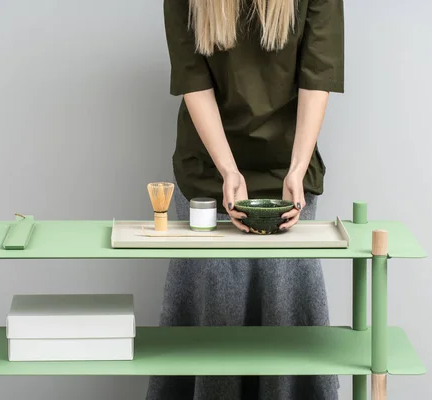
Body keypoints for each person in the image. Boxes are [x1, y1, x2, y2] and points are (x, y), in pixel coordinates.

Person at [146, 0, 344, 399]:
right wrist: (228, 170)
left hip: (287, 173)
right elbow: (192, 80)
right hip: (209, 171)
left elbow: (317, 74)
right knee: (212, 328)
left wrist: (298, 168)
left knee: (286, 322)